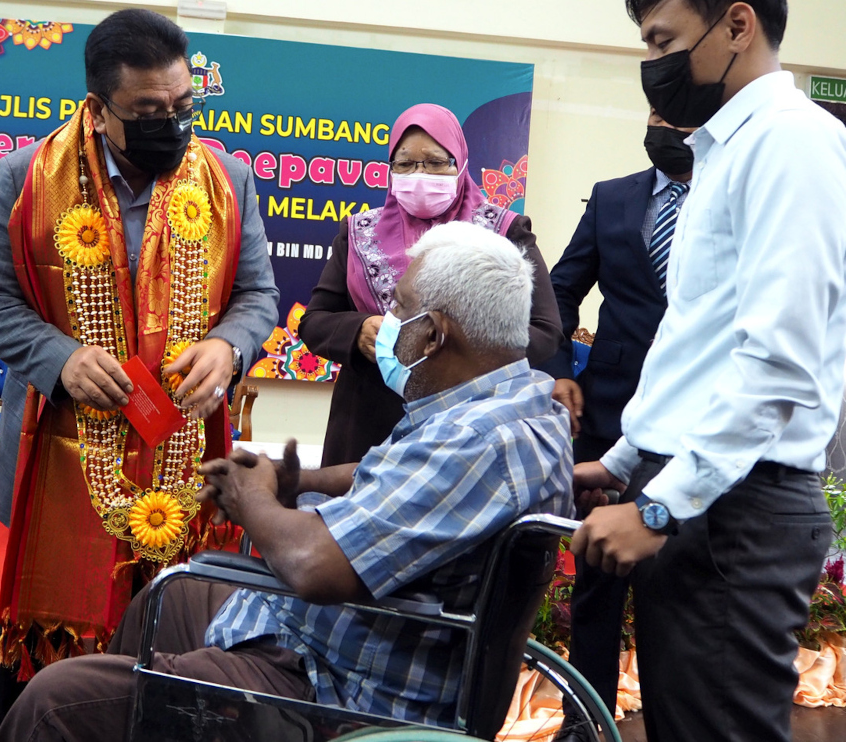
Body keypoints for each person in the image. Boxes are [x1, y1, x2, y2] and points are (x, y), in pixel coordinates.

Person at [0, 220, 575, 742]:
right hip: (343, 642)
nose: (386, 322)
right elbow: (400, 478)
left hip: (334, 691)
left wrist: (253, 498)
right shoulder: (509, 403)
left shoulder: (476, 442)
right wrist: (299, 478)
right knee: (169, 599)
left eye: (401, 308)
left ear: (436, 334)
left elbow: (313, 565)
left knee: (55, 703)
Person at [0, 9, 279, 736]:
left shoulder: (228, 178)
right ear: (101, 110)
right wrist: (59, 359)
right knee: (53, 654)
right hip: (64, 455)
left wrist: (229, 347)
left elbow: (259, 295)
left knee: (178, 630)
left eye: (183, 106)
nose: (172, 123)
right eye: (149, 111)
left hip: (184, 454)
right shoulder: (27, 175)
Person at [571, 2, 846, 741]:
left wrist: (662, 508)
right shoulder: (724, 149)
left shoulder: (791, 142)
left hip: (736, 509)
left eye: (663, 41)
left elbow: (777, 361)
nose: (653, 64)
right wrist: (624, 462)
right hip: (704, 490)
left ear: (736, 24)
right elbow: (695, 342)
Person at [537, 109, 693, 725]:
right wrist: (560, 372)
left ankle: (668, 721)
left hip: (693, 419)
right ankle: (584, 722)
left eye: (675, 117)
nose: (662, 125)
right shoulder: (610, 198)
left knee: (672, 581)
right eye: (654, 115)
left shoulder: (730, 198)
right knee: (598, 577)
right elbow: (560, 287)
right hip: (609, 413)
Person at [298, 103, 562, 467]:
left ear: (461, 163)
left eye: (437, 162)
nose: (419, 174)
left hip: (472, 426)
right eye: (404, 163)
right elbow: (315, 321)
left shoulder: (505, 232)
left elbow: (546, 332)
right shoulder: (357, 233)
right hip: (368, 424)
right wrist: (356, 331)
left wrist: (462, 349)